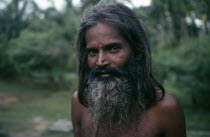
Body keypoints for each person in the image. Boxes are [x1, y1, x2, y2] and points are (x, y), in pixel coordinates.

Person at [71, 3, 186, 137]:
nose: (100, 62)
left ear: (137, 50)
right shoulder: (80, 103)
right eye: (93, 51)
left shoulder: (166, 109)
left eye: (113, 48)